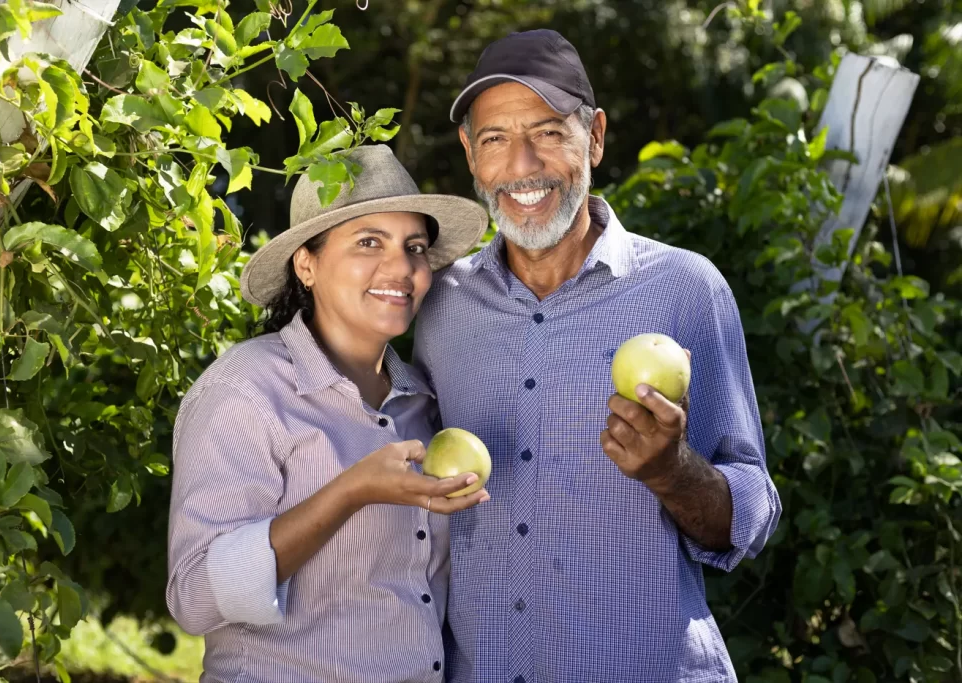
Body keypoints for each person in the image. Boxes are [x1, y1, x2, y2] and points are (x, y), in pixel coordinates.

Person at [413, 29, 782, 682]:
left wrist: (672, 470)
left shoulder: (685, 289)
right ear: (471, 154)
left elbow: (750, 515)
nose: (521, 164)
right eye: (495, 138)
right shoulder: (440, 308)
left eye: (549, 132)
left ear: (597, 136)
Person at [166, 144, 492, 683]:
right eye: (369, 242)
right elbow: (195, 595)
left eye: (414, 246)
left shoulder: (423, 403)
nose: (402, 267)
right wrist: (349, 492)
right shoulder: (245, 389)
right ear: (307, 264)